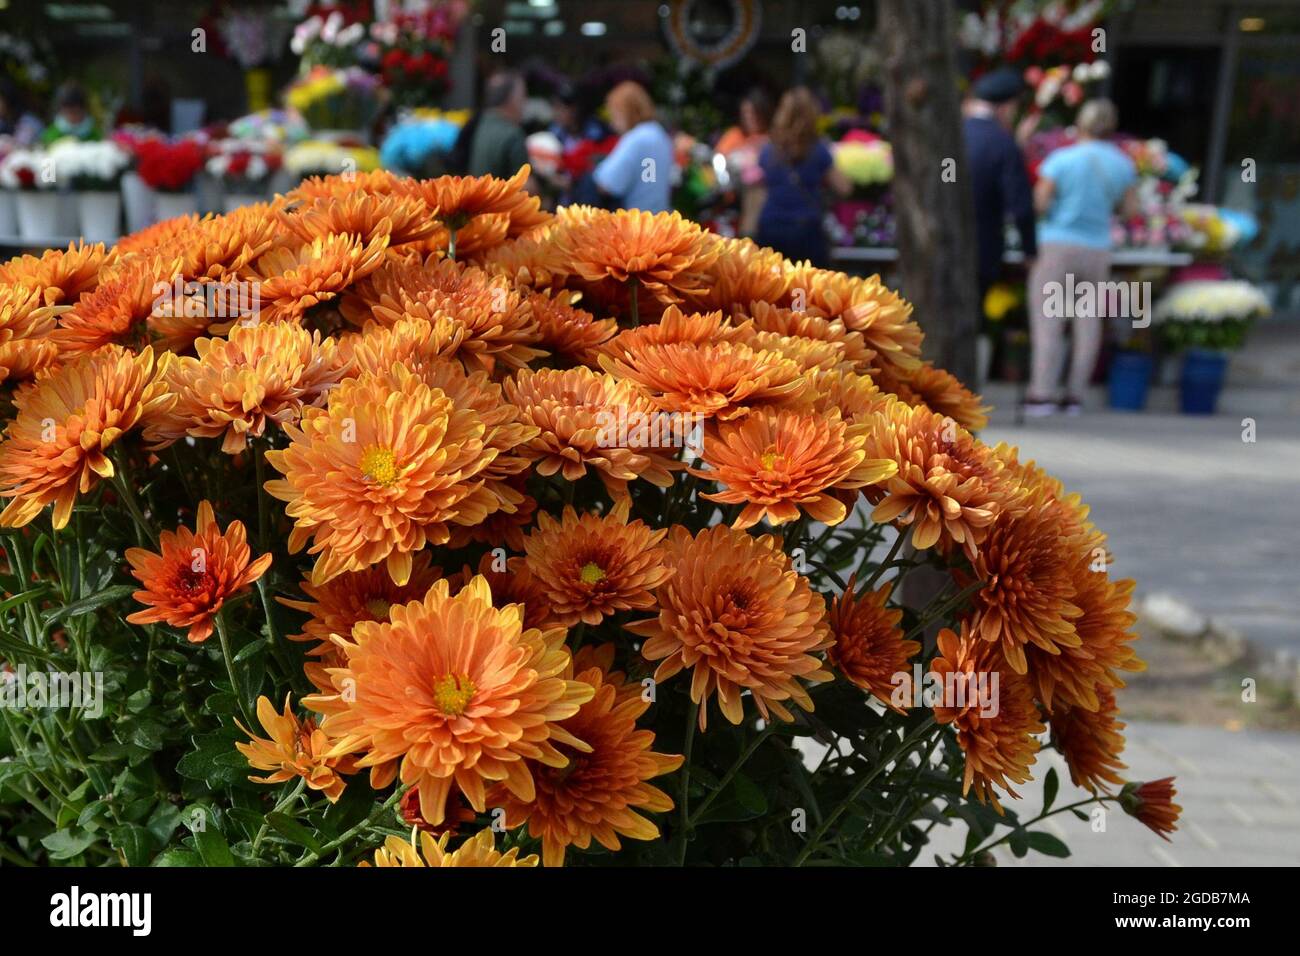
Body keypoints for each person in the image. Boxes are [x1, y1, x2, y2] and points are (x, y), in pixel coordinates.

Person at [1026, 98, 1138, 415]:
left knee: (1049, 321)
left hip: (1057, 245)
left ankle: (1041, 395)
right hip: (1097, 249)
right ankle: (1074, 396)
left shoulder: (1061, 159)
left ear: (1081, 124)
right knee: (1087, 324)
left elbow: (1041, 203)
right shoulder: (1122, 164)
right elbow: (1131, 209)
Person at [962, 68, 1038, 314]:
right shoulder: (1003, 143)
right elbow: (1021, 206)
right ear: (1006, 107)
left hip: (938, 246)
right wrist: (1030, 251)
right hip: (982, 250)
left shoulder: (952, 135)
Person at [752, 87, 849, 267]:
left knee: (773, 290)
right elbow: (844, 188)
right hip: (806, 230)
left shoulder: (768, 150)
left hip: (771, 227)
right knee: (807, 290)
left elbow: (757, 191)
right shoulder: (819, 150)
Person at [592, 81, 673, 213]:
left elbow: (606, 184)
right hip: (660, 218)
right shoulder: (660, 134)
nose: (612, 124)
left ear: (625, 111)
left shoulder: (636, 138)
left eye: (614, 115)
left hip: (637, 223)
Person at [716, 88, 773, 237]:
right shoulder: (734, 135)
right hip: (735, 200)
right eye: (745, 113)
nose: (749, 117)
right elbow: (719, 159)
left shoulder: (771, 138)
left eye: (753, 113)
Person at [467, 71, 530, 180]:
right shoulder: (512, 134)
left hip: (473, 195)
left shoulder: (476, 123)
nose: (525, 103)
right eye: (523, 96)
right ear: (512, 99)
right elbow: (524, 184)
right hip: (500, 197)